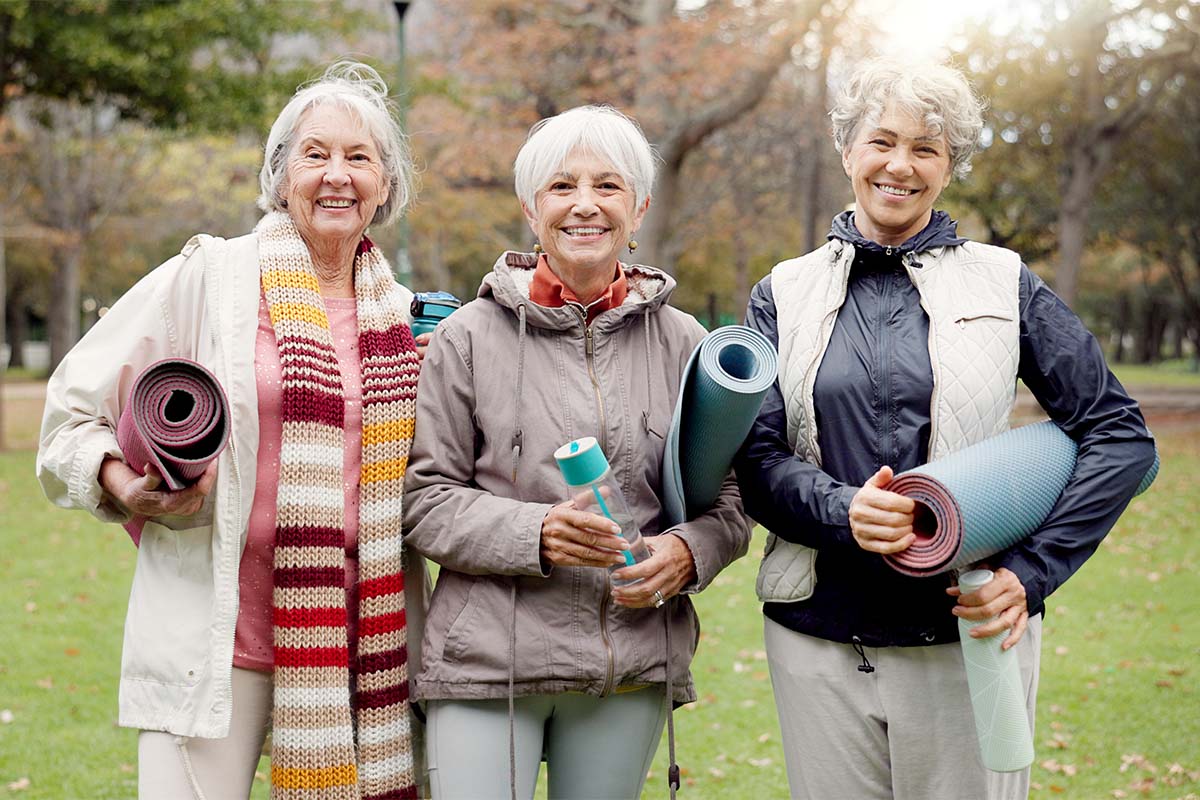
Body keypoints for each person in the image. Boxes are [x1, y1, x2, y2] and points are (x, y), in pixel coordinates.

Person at [736, 58, 1156, 800]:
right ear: (847, 150)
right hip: (817, 639)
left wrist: (1029, 577)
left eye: (926, 149)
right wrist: (844, 510)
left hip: (968, 638)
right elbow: (758, 457)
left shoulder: (1006, 282)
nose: (901, 165)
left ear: (949, 167)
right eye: (882, 141)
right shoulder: (782, 292)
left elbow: (1119, 437)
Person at [37, 61, 429, 800]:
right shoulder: (210, 277)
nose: (337, 175)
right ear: (281, 176)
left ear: (387, 185)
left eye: (359, 157)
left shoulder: (406, 319)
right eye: (315, 154)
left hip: (359, 646)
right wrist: (126, 486)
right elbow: (68, 414)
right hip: (216, 644)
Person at [402, 105, 751, 799]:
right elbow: (424, 499)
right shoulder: (466, 338)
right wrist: (538, 532)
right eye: (562, 187)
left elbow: (731, 505)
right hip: (485, 665)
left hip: (627, 664)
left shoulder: (685, 342)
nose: (584, 205)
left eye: (608, 186)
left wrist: (686, 553)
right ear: (532, 210)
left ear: (640, 206)